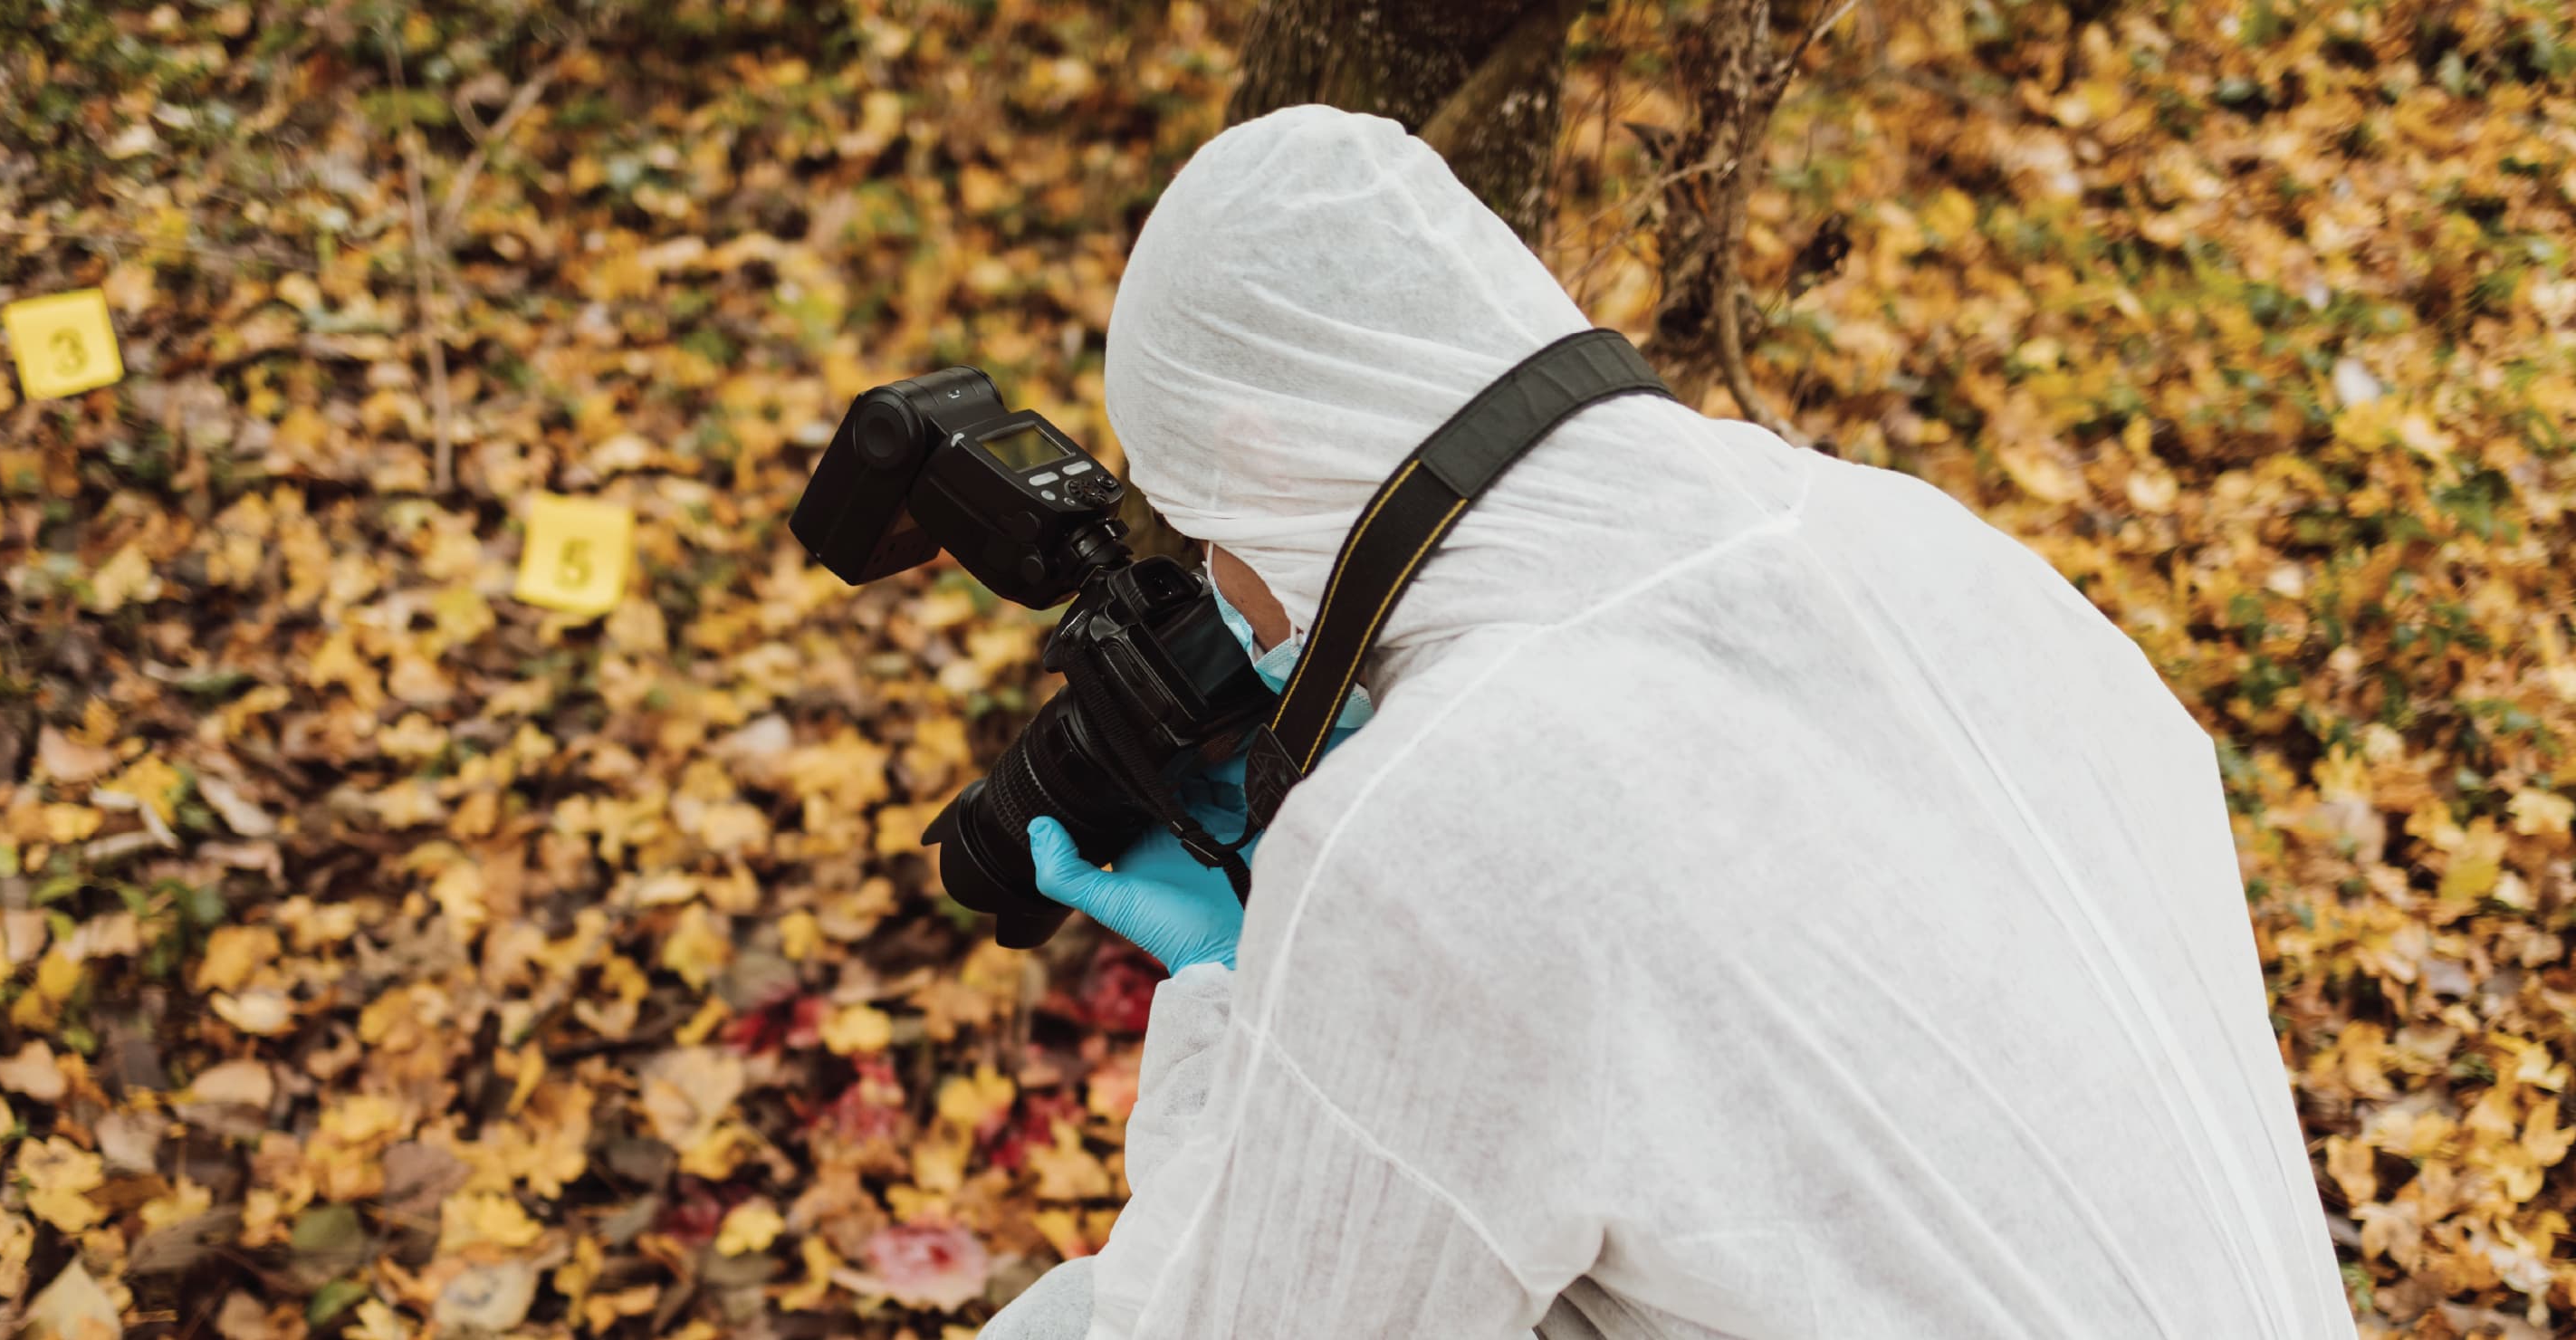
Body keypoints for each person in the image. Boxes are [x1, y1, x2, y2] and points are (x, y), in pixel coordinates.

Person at [977, 104, 2354, 1339]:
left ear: (1263, 459)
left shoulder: (1438, 822)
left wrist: (1241, 1002)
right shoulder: (1912, 535)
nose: (1221, 593)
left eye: (1211, 537)